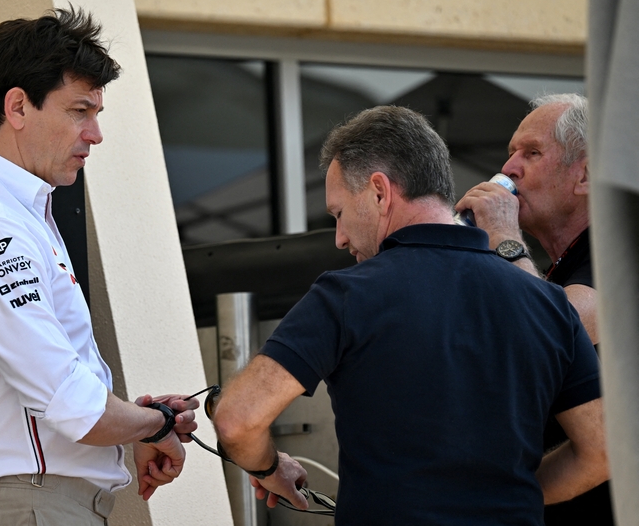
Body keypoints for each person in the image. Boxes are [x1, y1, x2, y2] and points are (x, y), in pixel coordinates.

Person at [209, 106, 609, 525]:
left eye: (340, 214)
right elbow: (602, 449)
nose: (340, 238)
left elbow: (238, 419)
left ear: (380, 192)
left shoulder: (346, 294)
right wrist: (510, 494)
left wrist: (270, 469)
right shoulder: (547, 303)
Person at [0, 8, 198, 525]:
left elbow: (66, 395)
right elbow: (75, 406)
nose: (95, 134)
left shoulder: (12, 215)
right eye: (79, 111)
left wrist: (141, 424)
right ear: (18, 107)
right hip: (29, 506)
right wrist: (153, 423)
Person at [455, 93, 613, 524]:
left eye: (532, 153)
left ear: (584, 175)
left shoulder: (619, 249)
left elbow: (553, 325)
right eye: (510, 154)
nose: (508, 169)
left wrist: (504, 235)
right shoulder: (553, 270)